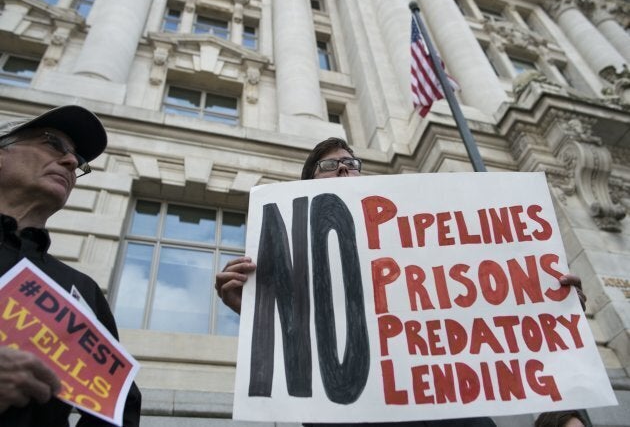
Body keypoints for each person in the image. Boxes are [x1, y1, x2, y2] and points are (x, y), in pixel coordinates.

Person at [215, 137, 587, 426]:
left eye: (350, 163)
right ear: (307, 184)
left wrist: (549, 305)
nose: (344, 169)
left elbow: (473, 298)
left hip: (453, 414)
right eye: (330, 165)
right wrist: (256, 314)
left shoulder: (413, 232)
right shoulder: (291, 256)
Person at [0, 105, 141, 426]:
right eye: (52, 144)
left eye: (77, 161)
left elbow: (119, 407)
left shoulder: (81, 290)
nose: (70, 161)